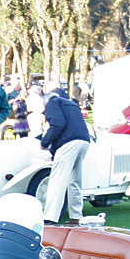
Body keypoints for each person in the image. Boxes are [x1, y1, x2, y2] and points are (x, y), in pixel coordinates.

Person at [38, 91, 91, 225]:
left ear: (45, 102)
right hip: (84, 141)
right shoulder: (72, 104)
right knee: (75, 180)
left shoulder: (53, 103)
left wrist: (44, 142)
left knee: (57, 180)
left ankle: (49, 217)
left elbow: (57, 124)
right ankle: (76, 216)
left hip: (68, 143)